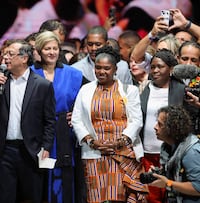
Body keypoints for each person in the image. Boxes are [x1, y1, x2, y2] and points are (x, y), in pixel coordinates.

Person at [0, 39, 56, 203]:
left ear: (24, 58)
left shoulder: (42, 85)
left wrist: (46, 147)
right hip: (3, 151)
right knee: (4, 197)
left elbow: (50, 121)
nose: (5, 58)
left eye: (10, 54)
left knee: (31, 197)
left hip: (31, 151)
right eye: (4, 53)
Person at [71, 45, 148, 203]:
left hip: (122, 152)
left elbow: (136, 120)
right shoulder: (85, 90)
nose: (101, 72)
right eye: (98, 67)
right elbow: (76, 119)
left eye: (106, 68)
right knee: (96, 197)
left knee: (120, 197)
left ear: (115, 69)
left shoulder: (129, 90)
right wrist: (92, 142)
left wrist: (119, 142)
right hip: (94, 152)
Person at [30, 31, 83, 203]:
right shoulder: (29, 73)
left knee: (63, 181)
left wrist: (77, 114)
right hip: (37, 133)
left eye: (55, 48)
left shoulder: (73, 74)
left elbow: (89, 97)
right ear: (39, 50)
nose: (52, 52)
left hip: (64, 134)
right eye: (47, 49)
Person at [140, 49, 184, 203]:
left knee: (171, 194)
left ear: (171, 69)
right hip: (147, 152)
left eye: (160, 66)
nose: (155, 70)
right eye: (152, 67)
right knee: (151, 196)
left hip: (172, 152)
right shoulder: (145, 88)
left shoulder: (180, 89)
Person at [150, 105, 200, 203]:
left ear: (172, 128)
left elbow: (198, 188)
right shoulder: (168, 146)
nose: (155, 127)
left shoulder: (191, 151)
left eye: (160, 125)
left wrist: (168, 183)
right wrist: (159, 173)